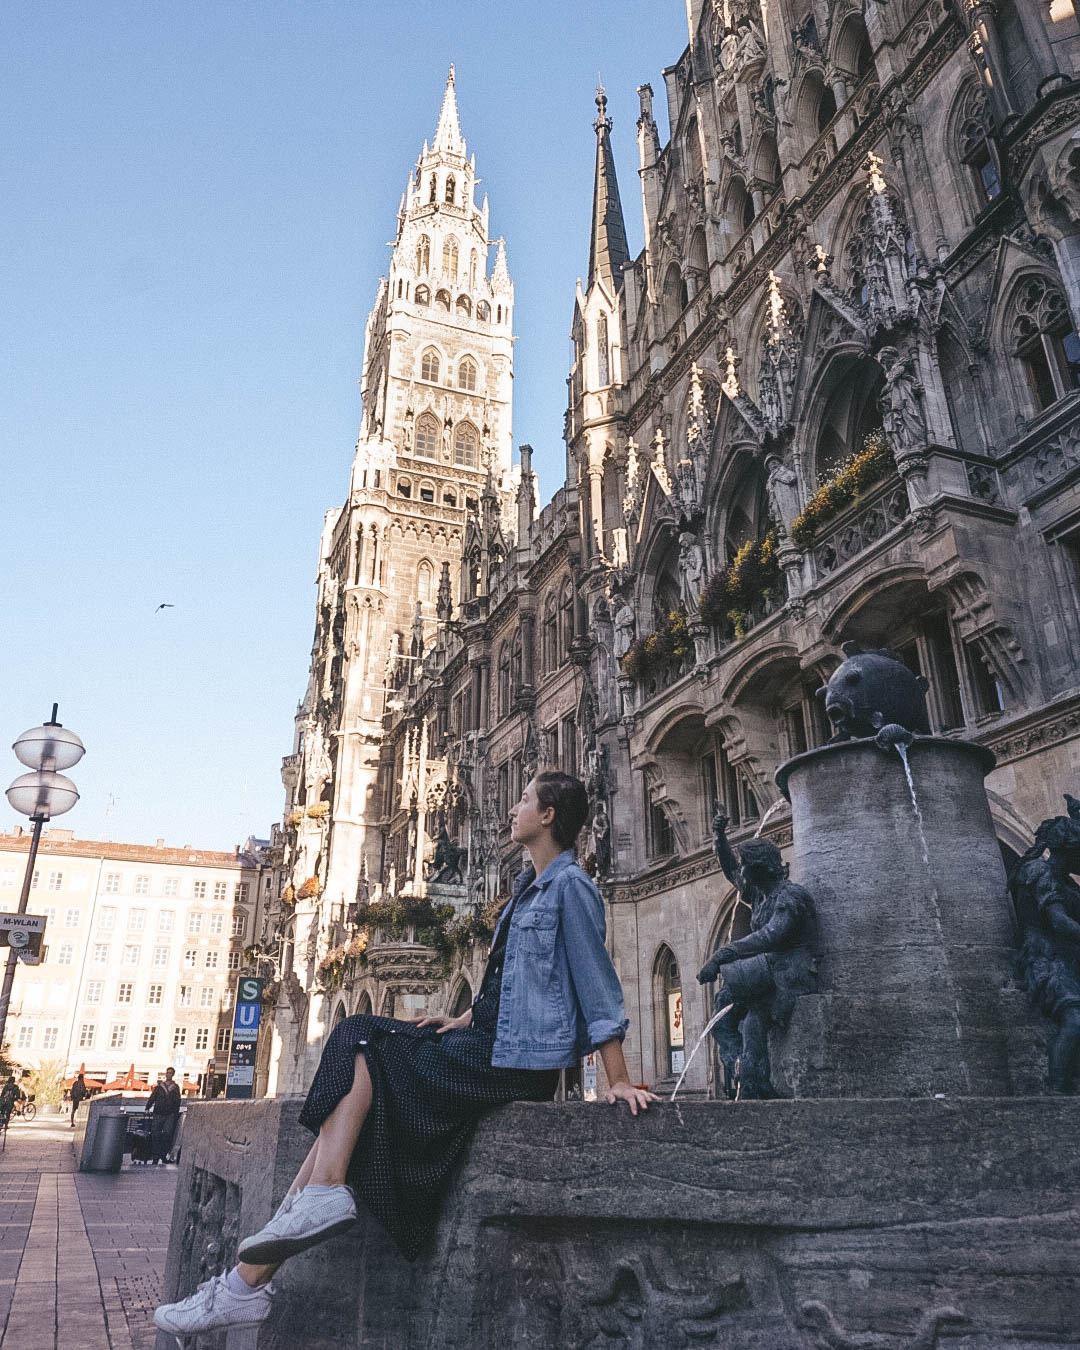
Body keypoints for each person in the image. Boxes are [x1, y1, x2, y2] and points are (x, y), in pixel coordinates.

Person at [155, 771, 657, 1338]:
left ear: (547, 816)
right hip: (486, 1042)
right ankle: (249, 1280)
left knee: (360, 1040)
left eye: (523, 797)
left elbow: (596, 982)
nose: (514, 806)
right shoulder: (527, 887)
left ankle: (260, 1267)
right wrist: (462, 1016)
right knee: (351, 1073)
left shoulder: (572, 886)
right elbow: (512, 983)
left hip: (515, 1064)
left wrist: (617, 1076)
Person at [147, 1067, 182, 1165]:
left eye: (170, 1073)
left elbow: (177, 1101)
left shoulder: (175, 1087)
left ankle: (163, 1155)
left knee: (167, 1135)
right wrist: (148, 1106)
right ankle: (155, 1157)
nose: (168, 1074)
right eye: (167, 1073)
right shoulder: (159, 1087)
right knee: (155, 1135)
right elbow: (153, 1097)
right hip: (158, 1113)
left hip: (169, 1115)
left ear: (173, 1074)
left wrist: (175, 1113)